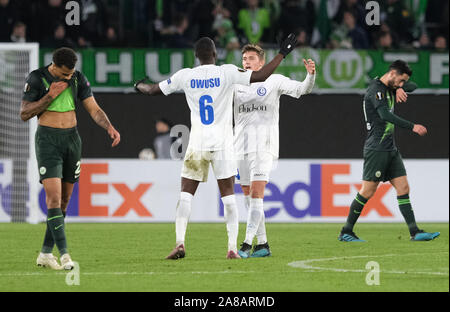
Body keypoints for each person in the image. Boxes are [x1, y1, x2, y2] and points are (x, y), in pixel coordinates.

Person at [134, 34, 297, 259]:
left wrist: (138, 85)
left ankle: (180, 243)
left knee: (185, 196)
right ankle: (232, 248)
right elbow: (261, 76)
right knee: (229, 197)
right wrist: (282, 53)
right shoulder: (226, 72)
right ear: (215, 54)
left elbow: (152, 90)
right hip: (222, 144)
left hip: (197, 143)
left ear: (196, 57)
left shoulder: (186, 76)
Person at [20, 47, 121, 269]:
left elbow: (94, 109)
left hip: (72, 140)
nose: (68, 77)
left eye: (71, 73)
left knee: (65, 201)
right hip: (48, 141)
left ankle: (45, 253)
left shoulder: (77, 78)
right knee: (53, 199)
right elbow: (24, 113)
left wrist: (109, 127)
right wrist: (50, 96)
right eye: (65, 74)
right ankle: (65, 255)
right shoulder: (37, 78)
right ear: (54, 65)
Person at [338, 60, 440, 242]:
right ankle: (346, 231)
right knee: (367, 191)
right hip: (377, 149)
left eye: (403, 82)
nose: (402, 85)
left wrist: (400, 88)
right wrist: (412, 126)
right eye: (400, 81)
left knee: (403, 187)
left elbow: (414, 86)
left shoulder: (390, 87)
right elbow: (385, 115)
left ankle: (415, 232)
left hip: (390, 149)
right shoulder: (375, 90)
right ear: (392, 74)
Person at [234, 44, 315, 258]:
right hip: (240, 147)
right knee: (248, 198)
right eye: (244, 58)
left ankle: (246, 243)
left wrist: (310, 76)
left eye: (251, 58)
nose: (246, 62)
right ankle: (262, 245)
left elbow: (302, 90)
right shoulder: (235, 83)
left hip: (264, 145)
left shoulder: (274, 80)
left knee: (256, 194)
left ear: (262, 62)